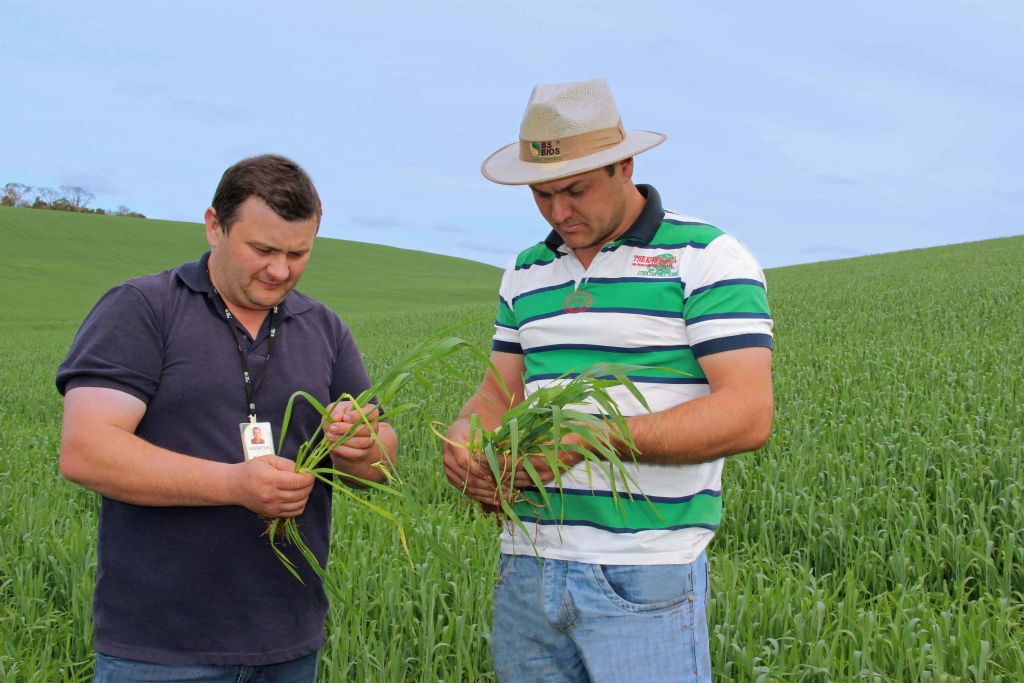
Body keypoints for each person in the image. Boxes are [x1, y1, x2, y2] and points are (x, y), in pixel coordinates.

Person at [442, 79, 774, 682]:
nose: (559, 212)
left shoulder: (705, 257)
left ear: (625, 165)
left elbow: (748, 414)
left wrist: (589, 436)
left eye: (575, 190)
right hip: (526, 566)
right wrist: (466, 441)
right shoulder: (526, 271)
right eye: (542, 194)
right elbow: (497, 395)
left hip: (644, 573)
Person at [57, 154, 397, 681]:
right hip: (159, 649)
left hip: (288, 642)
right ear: (215, 226)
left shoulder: (324, 327)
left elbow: (380, 464)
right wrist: (235, 484)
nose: (280, 270)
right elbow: (87, 450)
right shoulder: (145, 307)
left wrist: (363, 445)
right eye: (261, 249)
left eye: (297, 253)